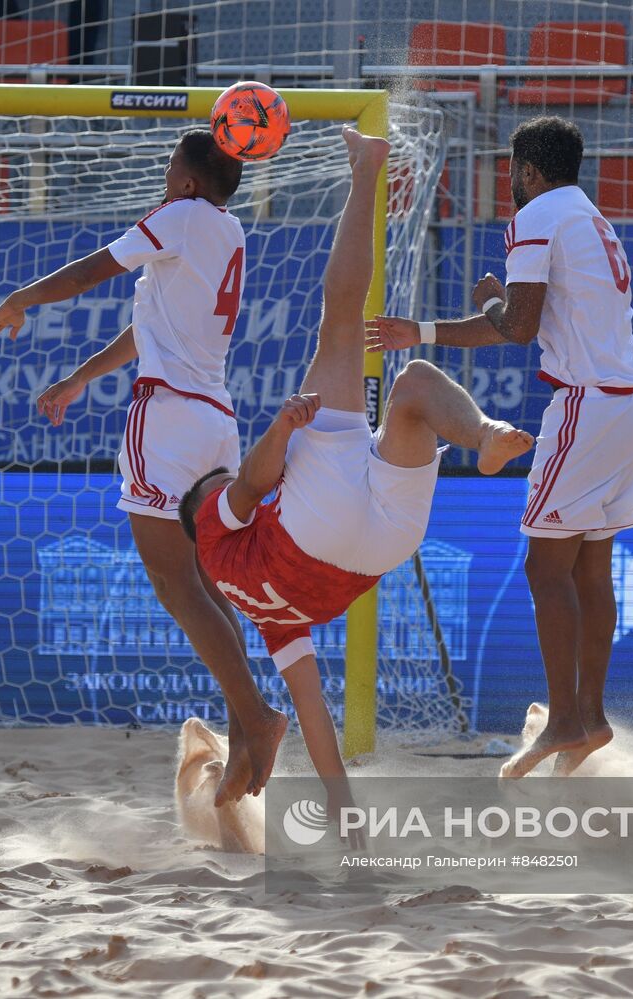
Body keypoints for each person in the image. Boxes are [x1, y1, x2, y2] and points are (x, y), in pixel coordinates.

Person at [177, 127, 533, 818]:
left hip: (382, 547)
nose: (219, 489)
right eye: (210, 491)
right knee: (342, 326)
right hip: (319, 521)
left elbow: (313, 715)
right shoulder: (214, 535)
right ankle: (369, 168)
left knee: (411, 392)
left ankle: (486, 438)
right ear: (203, 512)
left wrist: (343, 813)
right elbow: (250, 483)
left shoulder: (269, 623)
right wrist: (282, 425)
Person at [0, 129, 286, 803]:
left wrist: (23, 297)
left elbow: (91, 271)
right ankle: (247, 736)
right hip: (216, 423)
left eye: (171, 163)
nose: (165, 172)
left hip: (169, 421)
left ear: (188, 181)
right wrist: (78, 378)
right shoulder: (228, 231)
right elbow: (149, 327)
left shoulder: (177, 216)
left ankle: (258, 721)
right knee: (209, 584)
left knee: (177, 589)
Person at [366, 116, 633, 780]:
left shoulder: (536, 217)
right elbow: (540, 314)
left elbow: (520, 330)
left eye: (511, 170)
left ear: (527, 170)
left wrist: (427, 329)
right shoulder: (592, 217)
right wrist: (494, 301)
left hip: (587, 406)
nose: (509, 181)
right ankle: (588, 715)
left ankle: (563, 719)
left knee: (545, 571)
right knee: (590, 570)